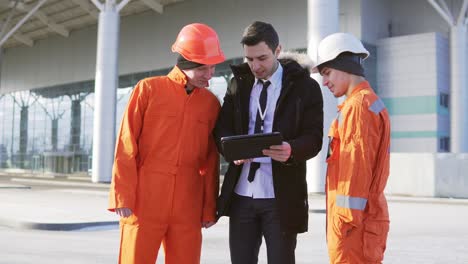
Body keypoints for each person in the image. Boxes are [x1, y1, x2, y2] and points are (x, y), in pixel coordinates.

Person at [108, 23, 225, 264]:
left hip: (188, 202)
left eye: (213, 67)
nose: (210, 74)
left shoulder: (211, 104)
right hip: (145, 199)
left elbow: (211, 160)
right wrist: (122, 196)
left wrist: (208, 207)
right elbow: (126, 145)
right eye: (204, 68)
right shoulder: (148, 90)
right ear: (187, 62)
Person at [215, 21, 324, 264]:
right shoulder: (238, 84)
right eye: (249, 59)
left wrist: (291, 150)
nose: (255, 66)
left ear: (277, 50)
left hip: (281, 196)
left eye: (262, 58)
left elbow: (314, 137)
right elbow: (221, 127)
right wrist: (229, 150)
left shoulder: (305, 88)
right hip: (242, 194)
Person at [312, 32, 391, 264]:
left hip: (353, 229)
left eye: (327, 73)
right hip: (362, 224)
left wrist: (344, 222)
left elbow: (357, 169)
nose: (325, 82)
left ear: (345, 65)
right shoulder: (367, 103)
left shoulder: (358, 107)